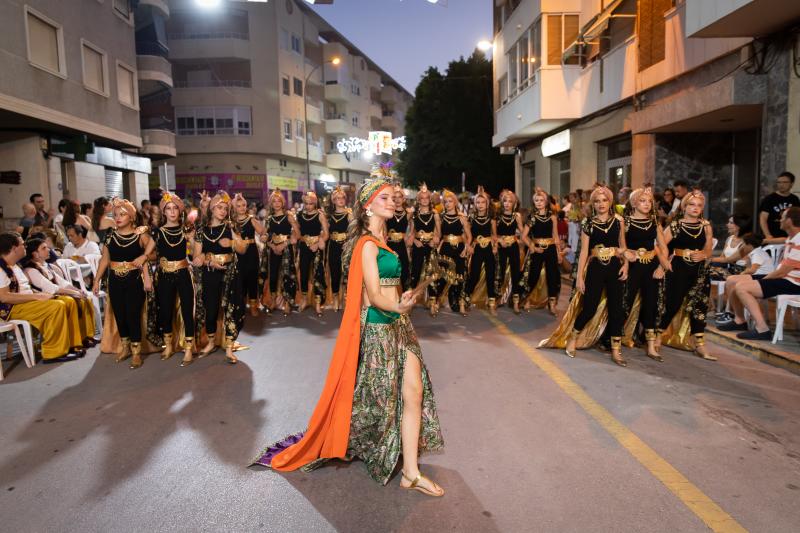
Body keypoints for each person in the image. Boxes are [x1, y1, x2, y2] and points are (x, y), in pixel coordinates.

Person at [251, 177, 445, 495]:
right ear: (368, 206)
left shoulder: (384, 242)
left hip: (399, 324)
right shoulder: (365, 244)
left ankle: (411, 472)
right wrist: (398, 304)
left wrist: (404, 297)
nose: (392, 202)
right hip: (380, 329)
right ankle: (359, 442)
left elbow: (389, 289)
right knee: (375, 400)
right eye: (384, 198)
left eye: (392, 198)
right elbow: (374, 295)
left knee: (414, 392)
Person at [539, 186, 628, 367]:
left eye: (604, 200)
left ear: (610, 201)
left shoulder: (619, 221)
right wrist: (579, 277)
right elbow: (584, 252)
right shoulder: (588, 222)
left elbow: (623, 246)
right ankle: (573, 338)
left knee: (616, 309)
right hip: (595, 267)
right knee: (589, 307)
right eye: (597, 201)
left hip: (614, 268)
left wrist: (626, 265)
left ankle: (616, 349)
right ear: (593, 203)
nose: (601, 204)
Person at [92, 198, 154, 369]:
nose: (118, 218)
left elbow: (151, 255)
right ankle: (125, 347)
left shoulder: (140, 235)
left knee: (133, 314)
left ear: (132, 217)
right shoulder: (110, 235)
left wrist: (146, 273)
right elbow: (104, 260)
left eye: (122, 215)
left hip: (134, 279)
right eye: (115, 215)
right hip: (114, 280)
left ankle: (136, 351)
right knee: (120, 314)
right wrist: (96, 280)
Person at [722, 207, 800, 339]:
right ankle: (740, 320)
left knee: (742, 287)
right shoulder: (791, 238)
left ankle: (762, 329)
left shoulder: (798, 241)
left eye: (783, 217)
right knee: (731, 280)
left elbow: (781, 272)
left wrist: (762, 281)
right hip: (784, 277)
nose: (779, 219)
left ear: (790, 221)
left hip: (793, 283)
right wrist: (760, 240)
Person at [0, 232, 79, 363]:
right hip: (12, 308)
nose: (25, 246)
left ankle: (72, 345)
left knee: (68, 300)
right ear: (14, 248)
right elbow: (4, 297)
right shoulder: (1, 268)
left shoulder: (15, 265)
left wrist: (40, 295)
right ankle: (53, 352)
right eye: (22, 244)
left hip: (26, 302)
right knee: (56, 306)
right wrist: (36, 297)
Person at [657, 191, 715, 359]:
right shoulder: (675, 225)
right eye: (692, 204)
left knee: (699, 307)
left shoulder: (706, 225)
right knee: (672, 303)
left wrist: (704, 254)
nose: (696, 208)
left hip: (700, 271)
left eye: (699, 205)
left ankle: (700, 344)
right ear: (684, 206)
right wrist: (663, 264)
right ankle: (658, 336)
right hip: (678, 268)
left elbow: (709, 249)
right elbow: (660, 246)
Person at [143, 191, 196, 367]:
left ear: (180, 211)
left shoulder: (186, 230)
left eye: (175, 208)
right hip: (164, 275)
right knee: (165, 310)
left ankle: (188, 348)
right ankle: (168, 345)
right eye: (168, 209)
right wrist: (144, 274)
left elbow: (196, 254)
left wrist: (193, 240)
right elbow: (145, 255)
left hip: (183, 273)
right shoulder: (157, 232)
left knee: (187, 311)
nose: (172, 212)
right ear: (163, 212)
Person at [192, 191, 245, 363]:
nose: (223, 211)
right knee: (211, 309)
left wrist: (231, 242)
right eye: (219, 207)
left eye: (226, 208)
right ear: (212, 208)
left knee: (231, 308)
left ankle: (229, 347)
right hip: (210, 272)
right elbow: (196, 258)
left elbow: (242, 249)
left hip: (230, 273)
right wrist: (208, 262)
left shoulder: (231, 227)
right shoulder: (201, 230)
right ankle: (211, 342)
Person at [620, 187, 670, 361]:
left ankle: (650, 346)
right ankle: (613, 340)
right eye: (642, 200)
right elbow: (621, 246)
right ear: (634, 202)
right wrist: (626, 259)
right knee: (624, 302)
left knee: (652, 305)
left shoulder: (655, 222)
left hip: (651, 267)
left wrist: (661, 268)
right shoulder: (625, 222)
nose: (647, 204)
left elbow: (663, 248)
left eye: (649, 201)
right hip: (633, 267)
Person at [23, 238, 96, 350]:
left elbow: (63, 283)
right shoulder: (31, 270)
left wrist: (78, 291)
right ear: (35, 254)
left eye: (47, 247)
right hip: (46, 298)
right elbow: (52, 288)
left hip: (56, 295)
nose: (48, 250)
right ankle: (73, 341)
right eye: (44, 248)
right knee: (72, 300)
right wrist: (73, 293)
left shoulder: (46, 266)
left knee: (85, 298)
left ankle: (86, 336)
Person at [519, 188, 562, 316]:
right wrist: (532, 246)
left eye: (541, 200)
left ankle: (552, 304)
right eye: (536, 200)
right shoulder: (532, 217)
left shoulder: (553, 217)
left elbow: (555, 236)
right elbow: (524, 236)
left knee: (552, 277)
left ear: (546, 201)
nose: (539, 202)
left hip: (551, 249)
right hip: (537, 250)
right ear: (533, 202)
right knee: (533, 275)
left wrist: (559, 253)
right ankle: (526, 298)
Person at [717, 233, 774, 325]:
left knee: (733, 282)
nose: (742, 246)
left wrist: (743, 273)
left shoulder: (757, 253)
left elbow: (753, 270)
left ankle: (732, 313)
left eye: (743, 244)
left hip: (763, 278)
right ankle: (733, 313)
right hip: (758, 276)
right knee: (731, 280)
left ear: (749, 245)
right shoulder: (755, 252)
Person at [261, 189, 299, 315]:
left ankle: (287, 302)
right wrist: (272, 246)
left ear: (283, 203)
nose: (277, 203)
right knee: (273, 275)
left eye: (279, 201)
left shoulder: (288, 216)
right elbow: (265, 236)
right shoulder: (269, 218)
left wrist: (285, 243)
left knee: (287, 275)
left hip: (286, 249)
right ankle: (272, 300)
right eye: (274, 201)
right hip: (273, 249)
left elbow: (297, 234)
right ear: (271, 204)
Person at [437, 189, 471, 315]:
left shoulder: (462, 217)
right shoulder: (441, 217)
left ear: (455, 202)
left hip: (459, 249)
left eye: (450, 201)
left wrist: (467, 247)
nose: (448, 204)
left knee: (460, 276)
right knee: (444, 276)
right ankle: (435, 301)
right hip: (445, 248)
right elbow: (439, 235)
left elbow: (469, 236)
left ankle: (459, 303)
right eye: (445, 202)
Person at [232, 193, 266, 317]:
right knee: (240, 280)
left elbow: (263, 231)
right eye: (238, 205)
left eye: (243, 205)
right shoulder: (231, 222)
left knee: (252, 279)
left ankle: (253, 306)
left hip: (251, 253)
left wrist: (264, 237)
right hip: (238, 254)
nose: (241, 208)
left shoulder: (251, 219)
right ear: (234, 207)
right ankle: (241, 306)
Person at [409, 183, 441, 315]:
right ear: (418, 200)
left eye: (426, 198)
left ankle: (432, 302)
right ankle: (409, 301)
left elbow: (439, 233)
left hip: (430, 247)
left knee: (432, 273)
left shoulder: (435, 214)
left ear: (430, 199)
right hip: (418, 247)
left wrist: (435, 240)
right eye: (421, 198)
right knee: (415, 273)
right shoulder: (414, 215)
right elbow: (411, 234)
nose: (424, 200)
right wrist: (415, 240)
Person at [464, 187, 498, 313]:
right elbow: (467, 235)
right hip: (477, 248)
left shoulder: (492, 218)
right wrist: (468, 246)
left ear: (487, 204)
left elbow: (494, 235)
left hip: (489, 248)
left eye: (483, 202)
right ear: (475, 204)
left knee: (491, 275)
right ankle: (466, 298)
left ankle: (492, 303)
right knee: (474, 275)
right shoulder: (471, 218)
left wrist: (495, 246)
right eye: (478, 202)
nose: (480, 205)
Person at [296, 191, 328, 316]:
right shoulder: (299, 215)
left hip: (316, 248)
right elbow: (297, 232)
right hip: (304, 247)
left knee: (318, 274)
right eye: (306, 203)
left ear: (315, 203)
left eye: (311, 203)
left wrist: (319, 242)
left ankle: (318, 303)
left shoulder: (320, 215)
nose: (308, 206)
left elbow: (326, 234)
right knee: (303, 274)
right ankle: (304, 300)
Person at [496, 190, 525, 313]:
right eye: (505, 201)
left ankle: (516, 302)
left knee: (516, 273)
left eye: (510, 201)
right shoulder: (497, 216)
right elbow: (492, 233)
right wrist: (498, 239)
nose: (507, 203)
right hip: (501, 247)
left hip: (513, 246)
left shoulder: (516, 216)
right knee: (500, 272)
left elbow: (523, 232)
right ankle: (498, 298)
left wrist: (524, 242)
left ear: (514, 203)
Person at [327, 186, 352, 312]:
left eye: (342, 198)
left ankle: (348, 299)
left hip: (346, 247)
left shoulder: (350, 214)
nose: (341, 200)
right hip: (333, 246)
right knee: (335, 273)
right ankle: (336, 297)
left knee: (348, 273)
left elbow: (354, 232)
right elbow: (325, 232)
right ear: (333, 201)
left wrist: (348, 242)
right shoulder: (329, 216)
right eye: (337, 198)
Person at [759, 172, 799, 243]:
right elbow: (763, 218)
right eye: (779, 182)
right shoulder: (770, 199)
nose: (781, 185)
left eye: (785, 182)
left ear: (791, 184)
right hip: (773, 237)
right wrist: (768, 235)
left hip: (790, 238)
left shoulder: (795, 199)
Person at [386, 185, 412, 292]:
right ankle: (390, 294)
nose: (397, 200)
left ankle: (404, 295)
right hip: (389, 244)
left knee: (404, 269)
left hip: (402, 245)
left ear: (403, 199)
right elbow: (382, 226)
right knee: (390, 269)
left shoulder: (409, 213)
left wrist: (410, 237)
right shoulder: (388, 212)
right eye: (394, 197)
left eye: (399, 197)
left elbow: (413, 228)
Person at [710, 214, 750, 278]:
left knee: (707, 271)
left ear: (739, 226)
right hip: (727, 266)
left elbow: (731, 260)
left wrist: (708, 259)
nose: (727, 224)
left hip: (741, 271)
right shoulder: (730, 238)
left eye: (731, 223)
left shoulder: (747, 241)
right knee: (703, 267)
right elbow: (722, 257)